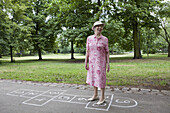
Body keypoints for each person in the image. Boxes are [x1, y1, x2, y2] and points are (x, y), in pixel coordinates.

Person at [85, 21, 110, 105]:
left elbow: (107, 52)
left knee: (101, 79)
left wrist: (108, 64)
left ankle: (102, 97)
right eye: (97, 26)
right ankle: (95, 95)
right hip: (92, 62)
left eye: (101, 26)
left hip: (101, 63)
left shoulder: (105, 39)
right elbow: (87, 51)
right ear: (94, 28)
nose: (99, 28)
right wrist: (86, 62)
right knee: (93, 78)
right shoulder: (89, 38)